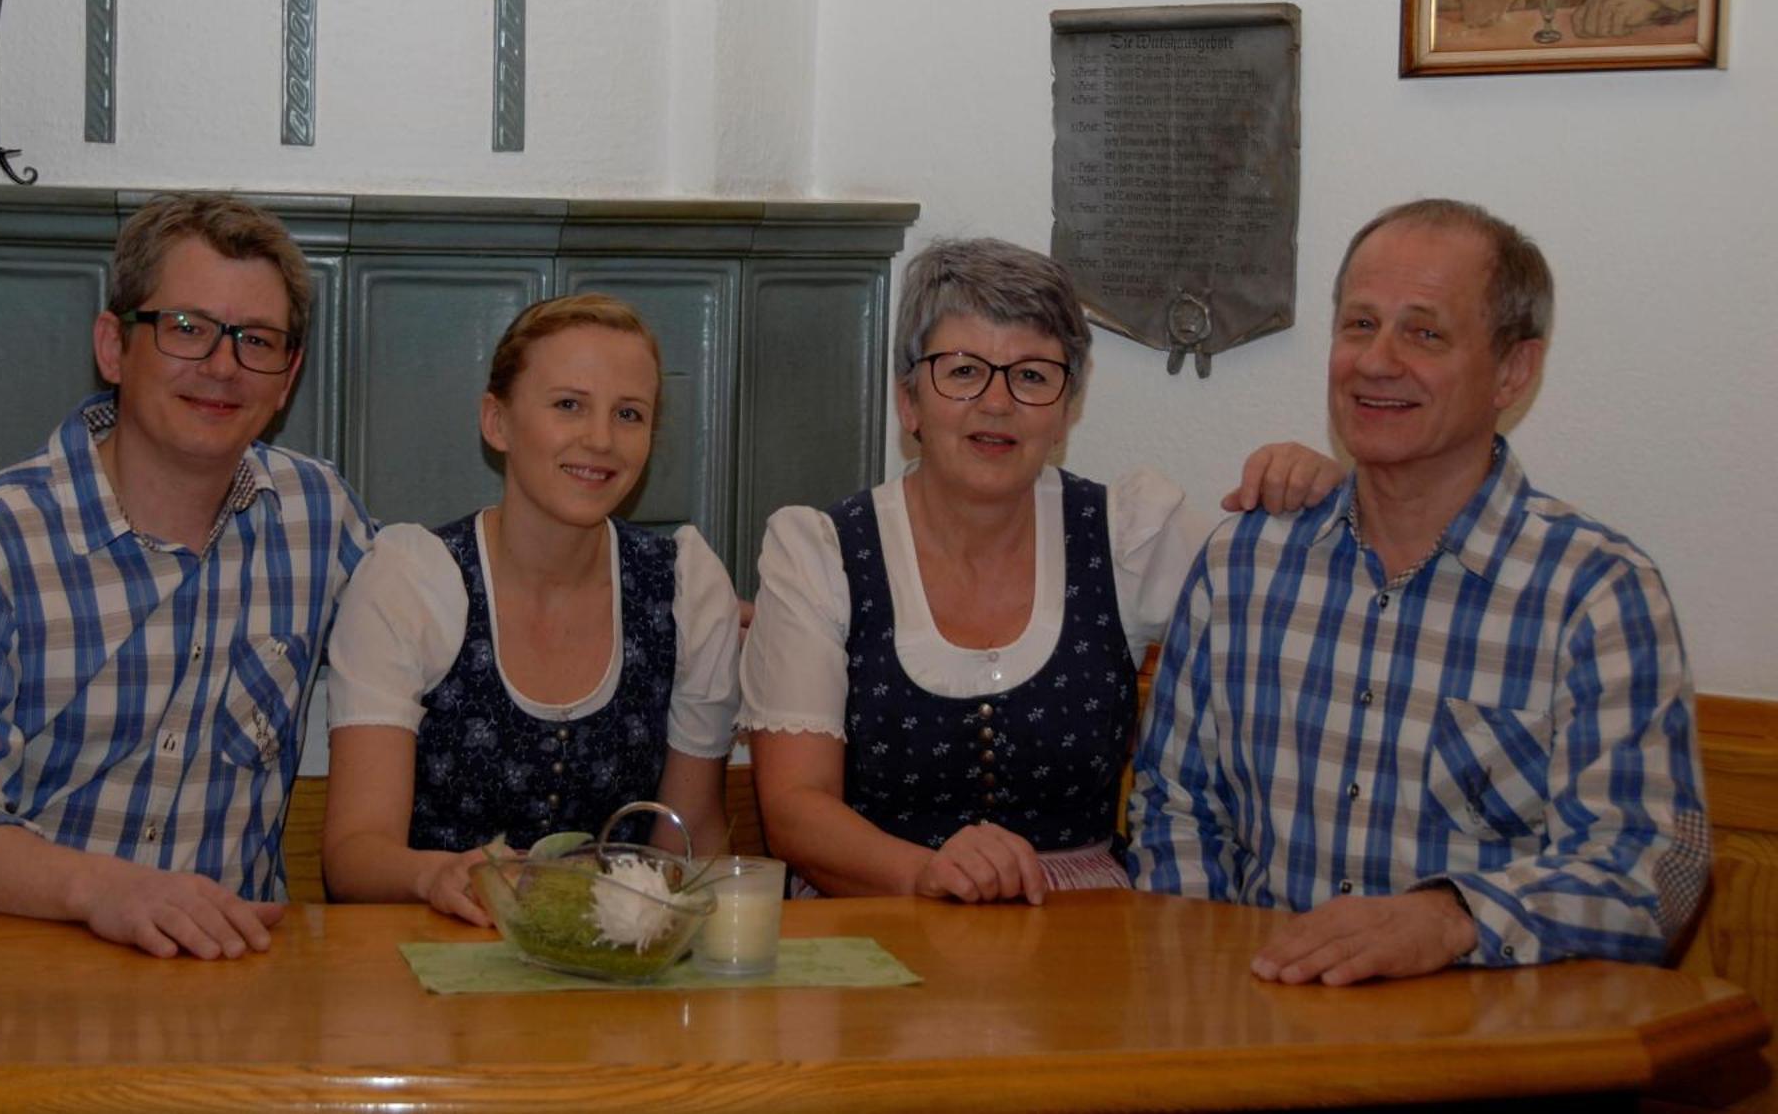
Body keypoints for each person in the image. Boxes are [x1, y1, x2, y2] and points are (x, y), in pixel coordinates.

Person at [1128, 199, 1708, 985]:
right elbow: (1177, 806)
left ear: (1514, 370)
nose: (1376, 360)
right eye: (1359, 324)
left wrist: (1449, 917)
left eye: (1424, 332)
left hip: (1487, 1060)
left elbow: (1646, 871)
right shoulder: (1243, 564)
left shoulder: (1595, 594)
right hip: (1253, 1042)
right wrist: (1218, 985)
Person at [738, 237, 1342, 904]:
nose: (997, 402)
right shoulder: (820, 554)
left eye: (1031, 375)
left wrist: (1325, 499)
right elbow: (795, 808)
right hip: (878, 911)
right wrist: (926, 874)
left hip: (1079, 923)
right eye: (963, 370)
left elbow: (1300, 607)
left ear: (1063, 412)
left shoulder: (1126, 534)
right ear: (909, 402)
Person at [0, 193, 373, 959]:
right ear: (113, 345)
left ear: (288, 376)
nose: (222, 365)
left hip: (219, 991)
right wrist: (106, 889)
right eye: (186, 328)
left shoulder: (318, 518)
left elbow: (439, 641)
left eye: (256, 340)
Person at [320, 294, 740, 926]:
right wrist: (434, 874)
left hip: (615, 982)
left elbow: (688, 838)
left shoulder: (684, 589)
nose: (600, 439)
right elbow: (352, 857)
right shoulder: (412, 582)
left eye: (629, 414)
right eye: (568, 405)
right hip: (431, 972)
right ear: (498, 422)